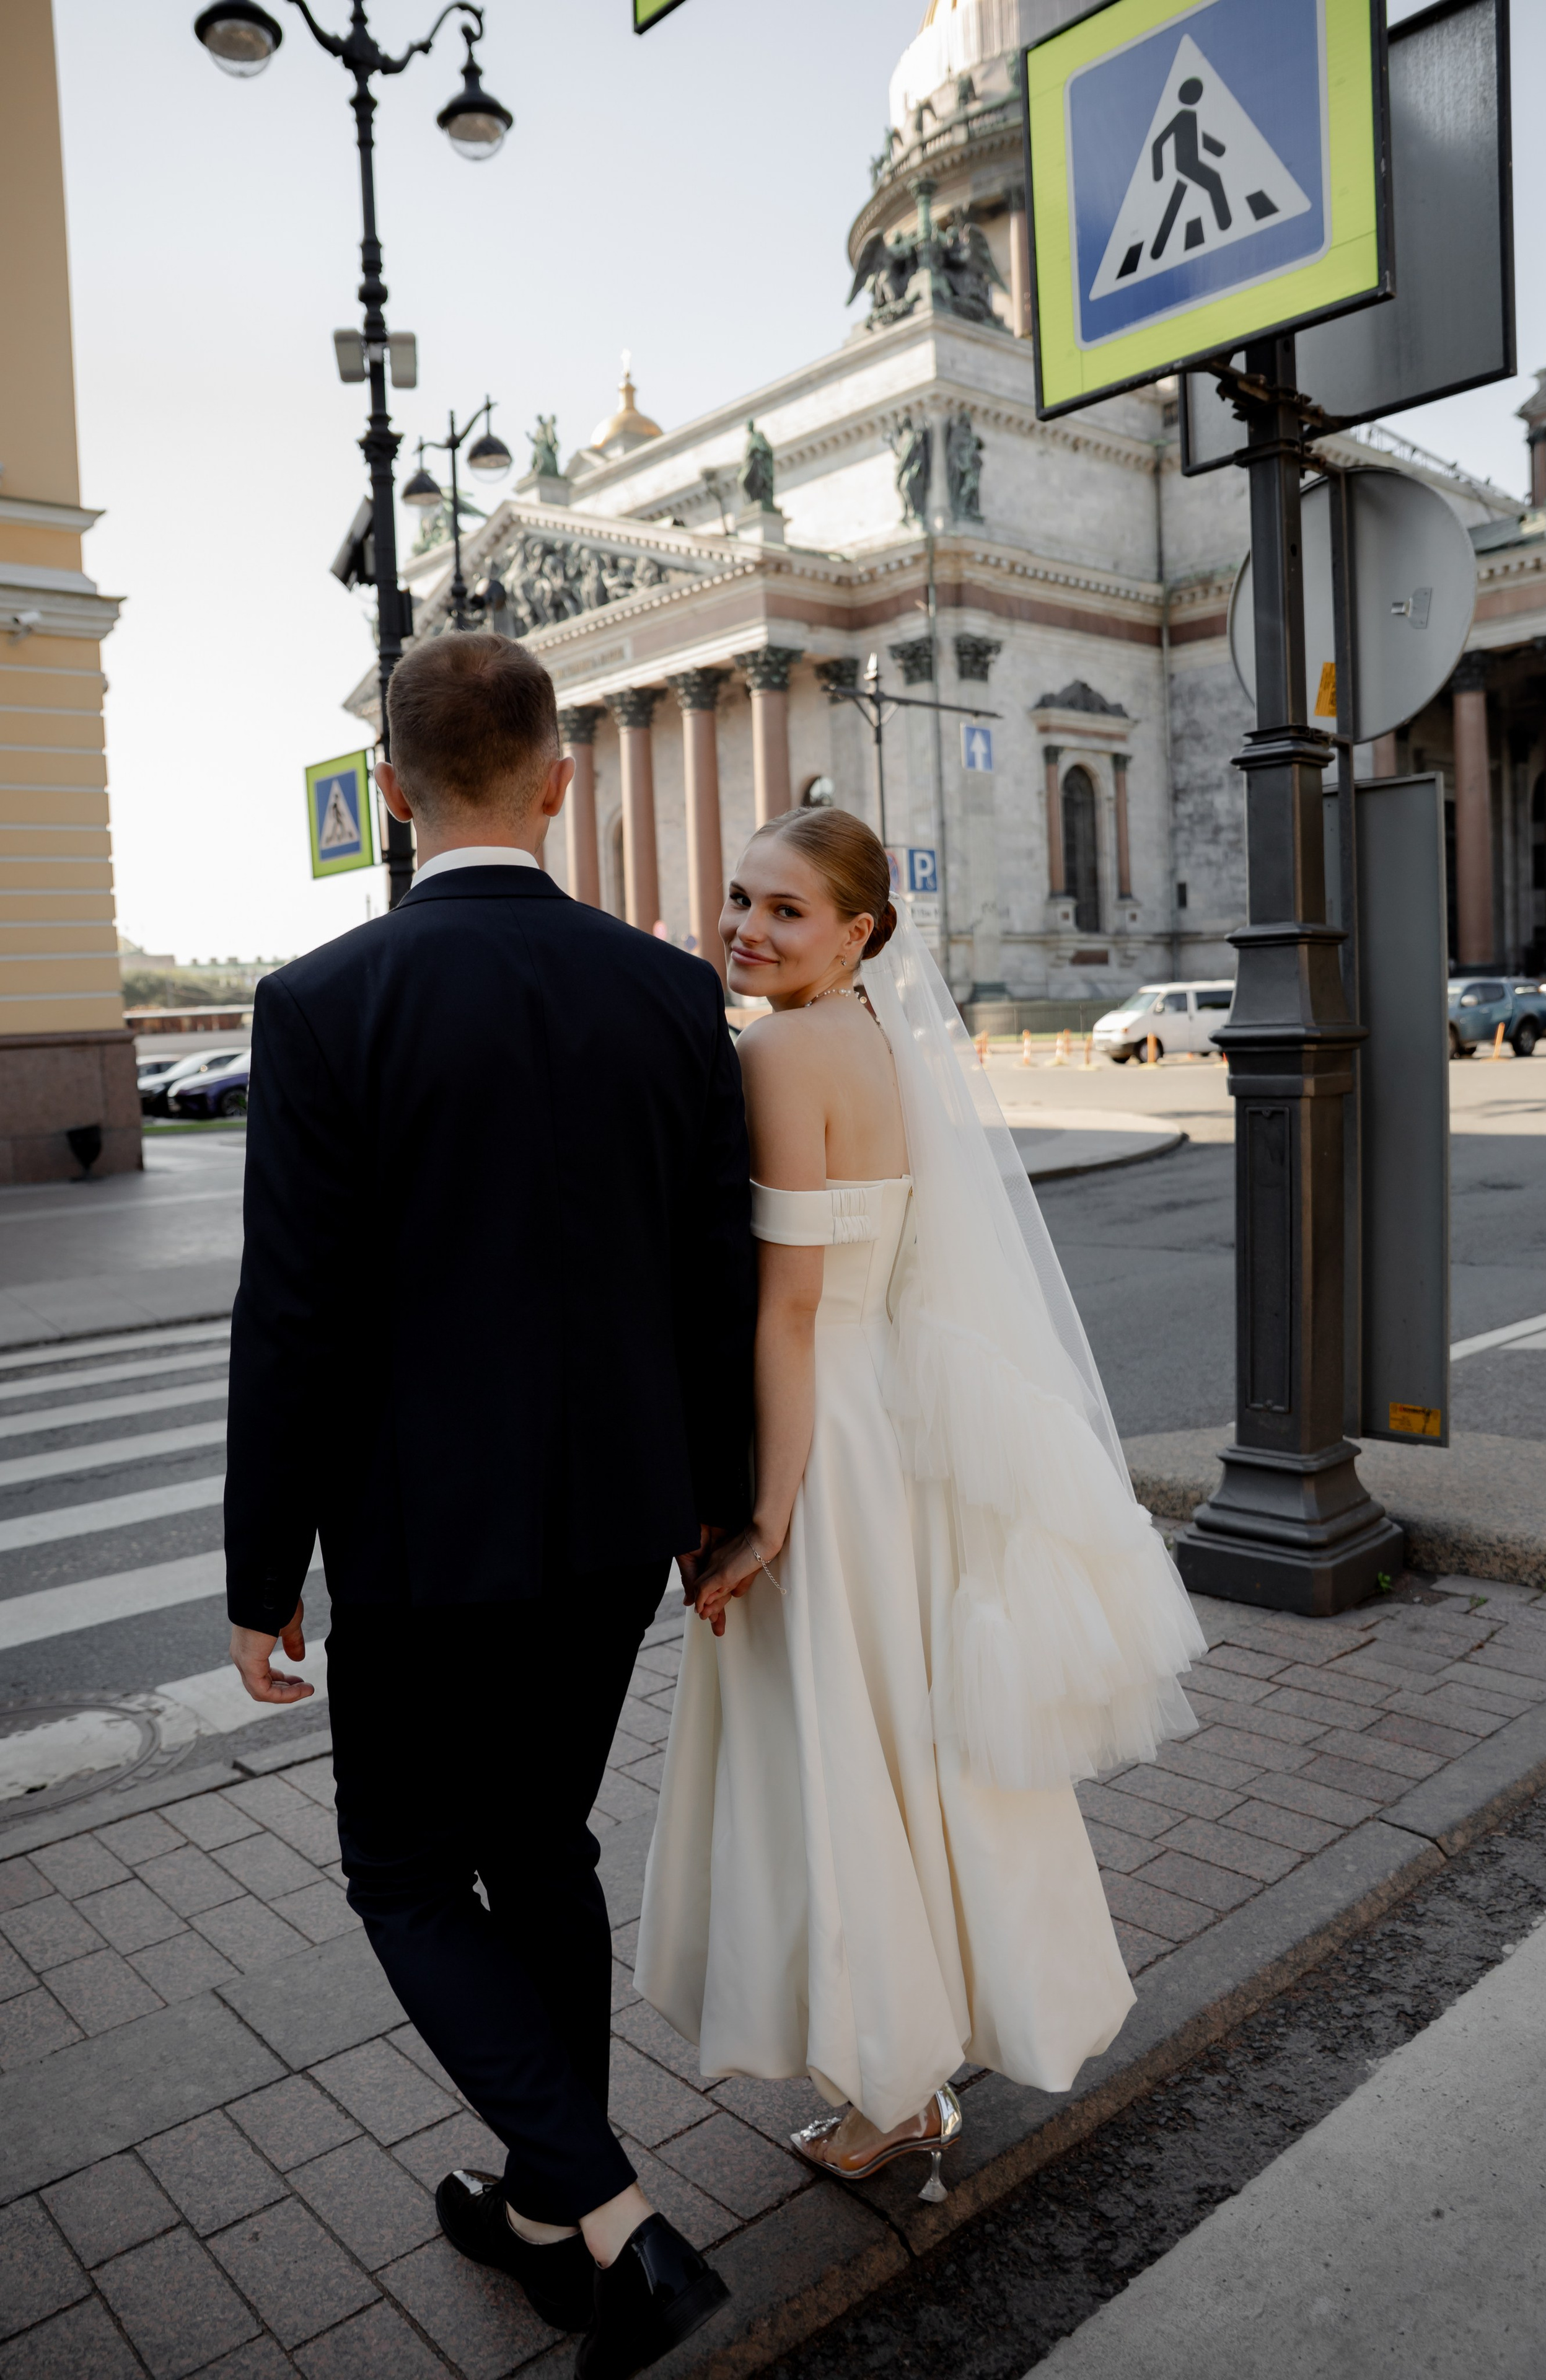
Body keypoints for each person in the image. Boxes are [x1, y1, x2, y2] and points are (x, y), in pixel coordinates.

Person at [224, 633, 751, 2379]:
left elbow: (293, 1315)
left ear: (388, 789)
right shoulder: (668, 992)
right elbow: (716, 1280)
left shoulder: (325, 1001)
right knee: (539, 1850)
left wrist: (261, 1567)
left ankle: (616, 2224)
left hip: (416, 1533)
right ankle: (545, 2220)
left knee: (401, 1871)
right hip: (615, 1524)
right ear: (559, 777)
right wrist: (720, 1503)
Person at [636, 809, 1205, 2195]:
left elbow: (786, 1311)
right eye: (739, 898)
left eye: (784, 910)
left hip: (819, 1434)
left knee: (837, 1746)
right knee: (908, 1742)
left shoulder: (778, 1053)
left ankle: (889, 2089)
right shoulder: (881, 1038)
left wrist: (767, 1515)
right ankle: (922, 2049)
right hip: (883, 1418)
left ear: (858, 933)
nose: (745, 928)